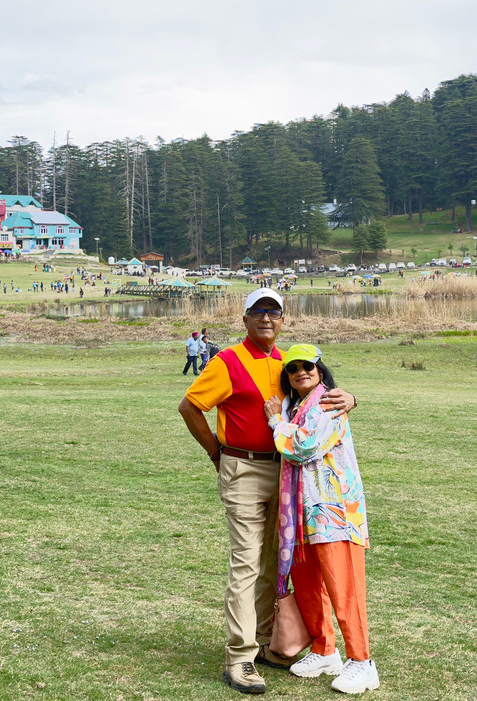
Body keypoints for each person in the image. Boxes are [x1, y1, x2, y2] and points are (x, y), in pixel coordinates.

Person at [178, 288, 356, 695]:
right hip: (242, 467)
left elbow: (317, 398)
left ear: (282, 320)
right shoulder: (227, 361)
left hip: (284, 472)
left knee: (274, 560)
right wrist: (214, 453)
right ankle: (239, 657)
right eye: (258, 312)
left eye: (273, 312)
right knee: (245, 561)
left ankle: (263, 641)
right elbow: (190, 406)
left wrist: (351, 398)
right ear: (244, 320)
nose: (266, 319)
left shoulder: (285, 364)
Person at [264, 344, 379, 694]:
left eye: (308, 366)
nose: (301, 371)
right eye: (293, 367)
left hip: (333, 512)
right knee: (309, 584)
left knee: (344, 588)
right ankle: (324, 648)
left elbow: (305, 446)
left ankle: (362, 662)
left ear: (320, 369)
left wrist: (275, 422)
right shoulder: (294, 406)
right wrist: (283, 418)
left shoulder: (329, 402)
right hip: (299, 514)